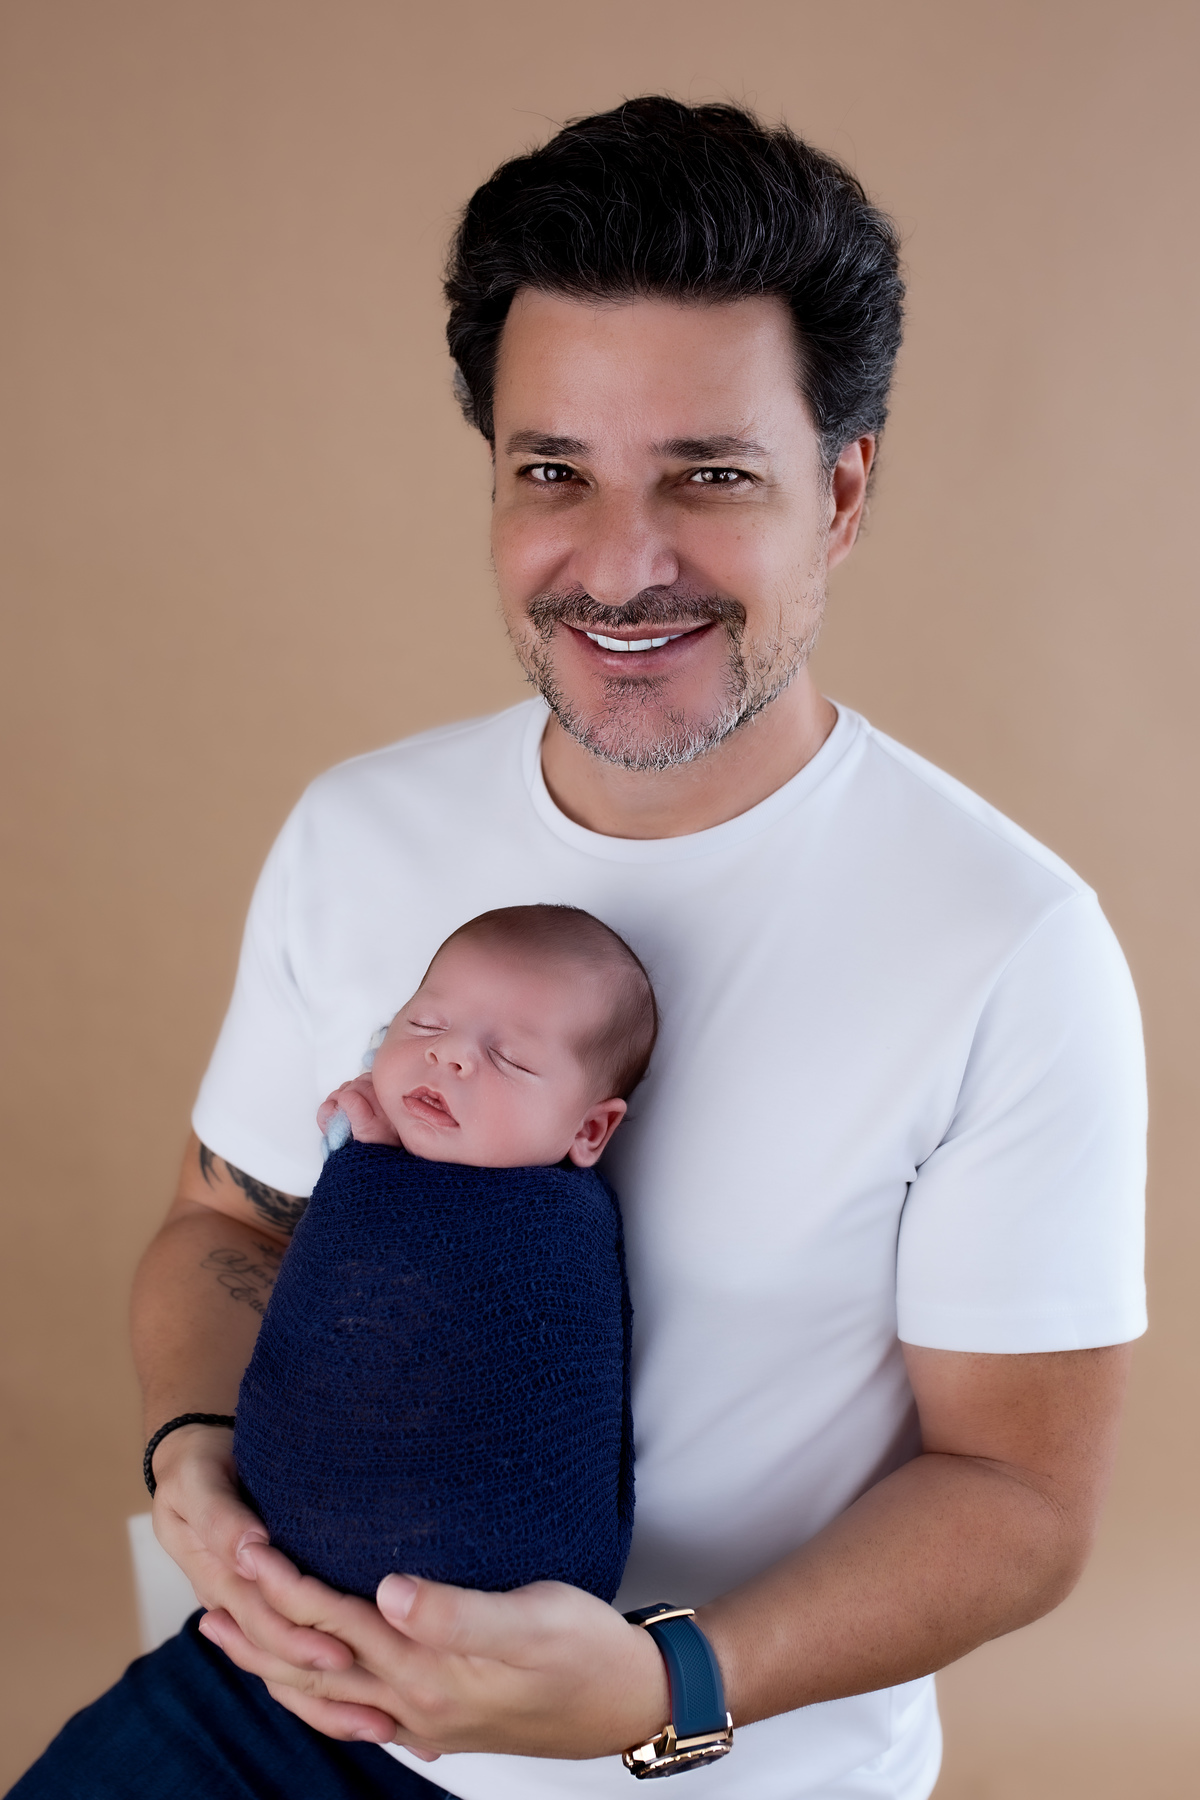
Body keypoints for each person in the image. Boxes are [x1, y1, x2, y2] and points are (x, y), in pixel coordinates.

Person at [9, 96, 1145, 1800]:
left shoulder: (1009, 945)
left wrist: (665, 1682)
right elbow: (225, 1222)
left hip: (701, 1760)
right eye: (555, 472)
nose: (621, 567)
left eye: (710, 475)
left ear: (840, 493)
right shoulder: (359, 827)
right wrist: (191, 1457)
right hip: (274, 1698)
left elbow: (1021, 1500)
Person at [233, 904, 648, 1604]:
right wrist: (365, 1161)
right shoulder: (364, 1143)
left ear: (588, 1131)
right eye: (425, 1024)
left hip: (512, 1610)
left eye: (511, 1059)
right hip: (269, 1575)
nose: (448, 1054)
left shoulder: (560, 1224)